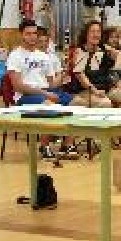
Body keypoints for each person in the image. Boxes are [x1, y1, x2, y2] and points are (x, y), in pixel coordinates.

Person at [6, 22, 72, 159]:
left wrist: (63, 74)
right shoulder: (15, 55)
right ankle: (44, 146)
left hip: (45, 92)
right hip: (25, 96)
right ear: (21, 35)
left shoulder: (43, 56)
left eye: (34, 33)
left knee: (75, 102)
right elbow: (17, 86)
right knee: (49, 104)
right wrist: (45, 93)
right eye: (28, 34)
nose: (32, 37)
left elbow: (51, 83)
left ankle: (67, 145)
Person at [69, 21, 121, 110]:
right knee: (105, 103)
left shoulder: (104, 50)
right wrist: (95, 91)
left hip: (107, 89)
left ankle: (120, 121)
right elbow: (82, 78)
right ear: (86, 34)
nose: (96, 34)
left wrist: (111, 48)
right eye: (93, 32)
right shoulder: (80, 51)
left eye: (98, 32)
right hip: (86, 91)